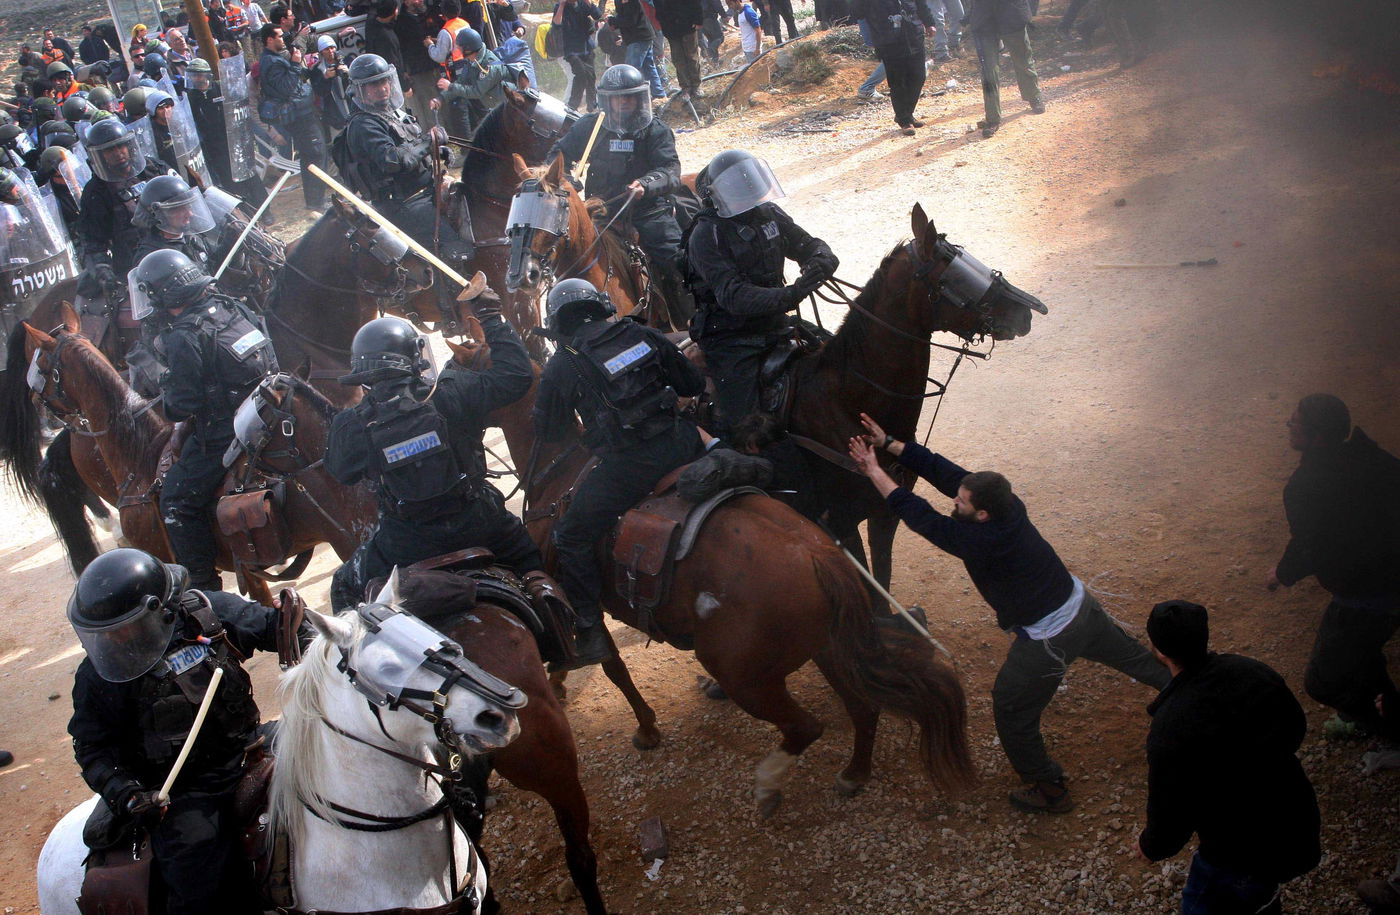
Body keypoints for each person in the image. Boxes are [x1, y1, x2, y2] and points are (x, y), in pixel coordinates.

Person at [848, 412, 1170, 812]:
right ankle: (1188, 692)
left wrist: (873, 469)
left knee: (1011, 707)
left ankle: (1049, 788)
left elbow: (917, 514)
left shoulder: (979, 540)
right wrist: (890, 442)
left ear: (980, 515)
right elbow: (948, 474)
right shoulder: (1007, 505)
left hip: (1050, 638)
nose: (954, 500)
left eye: (961, 502)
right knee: (1138, 660)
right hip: (1082, 607)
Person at [67, 547, 297, 914]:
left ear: (159, 611)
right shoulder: (98, 675)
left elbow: (275, 627)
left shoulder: (204, 614)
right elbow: (93, 749)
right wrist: (126, 795)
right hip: (185, 791)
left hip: (252, 747)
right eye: (106, 634)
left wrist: (307, 631)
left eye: (123, 630)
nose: (114, 642)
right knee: (200, 891)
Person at [325, 303, 557, 616]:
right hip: (479, 523)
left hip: (405, 542)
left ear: (361, 370)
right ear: (414, 355)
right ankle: (571, 632)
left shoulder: (351, 424)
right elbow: (516, 376)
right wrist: (491, 317)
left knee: (343, 585)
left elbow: (343, 473)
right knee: (531, 559)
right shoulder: (451, 392)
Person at [533, 278, 706, 664]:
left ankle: (591, 630)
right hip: (683, 442)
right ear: (601, 305)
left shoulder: (564, 363)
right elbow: (692, 382)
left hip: (629, 466)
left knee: (570, 534)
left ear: (558, 323)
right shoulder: (640, 332)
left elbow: (549, 430)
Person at [1136, 600, 1321, 914]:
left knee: (1216, 900)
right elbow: (1295, 727)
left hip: (1237, 851)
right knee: (1260, 894)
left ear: (1159, 650)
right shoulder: (1252, 671)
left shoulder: (1170, 727)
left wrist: (1152, 845)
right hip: (1294, 815)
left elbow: (1172, 805)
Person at [133, 249, 278, 590]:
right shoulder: (233, 305)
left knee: (176, 500)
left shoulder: (182, 335)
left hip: (228, 432)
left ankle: (201, 583)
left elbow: (183, 406)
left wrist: (166, 381)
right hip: (270, 407)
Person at [1269, 394, 1400, 742]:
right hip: (1391, 577)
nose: (1287, 425)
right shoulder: (1371, 456)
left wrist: (1282, 573)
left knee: (1323, 680)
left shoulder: (1305, 487)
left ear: (1318, 437)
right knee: (1363, 655)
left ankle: (1391, 733)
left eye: (1295, 423)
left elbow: (1310, 545)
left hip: (1368, 595)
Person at [684, 149, 837, 433]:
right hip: (731, 337)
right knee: (742, 425)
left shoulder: (767, 213)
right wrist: (792, 294)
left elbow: (807, 243)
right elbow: (734, 295)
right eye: (740, 189)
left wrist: (821, 260)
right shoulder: (706, 235)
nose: (748, 194)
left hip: (775, 323)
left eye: (750, 185)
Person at [340, 52, 474, 320]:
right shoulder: (363, 125)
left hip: (428, 189)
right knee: (453, 247)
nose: (382, 89)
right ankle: (454, 312)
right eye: (373, 85)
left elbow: (417, 150)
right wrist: (429, 140)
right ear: (360, 91)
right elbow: (392, 161)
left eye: (384, 82)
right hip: (401, 204)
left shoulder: (396, 114)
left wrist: (439, 151)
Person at [550, 64, 687, 322]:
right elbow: (558, 154)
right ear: (607, 100)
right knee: (557, 256)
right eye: (617, 97)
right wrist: (566, 179)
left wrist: (646, 184)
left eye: (629, 96)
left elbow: (671, 170)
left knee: (679, 262)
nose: (624, 102)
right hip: (600, 213)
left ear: (639, 97)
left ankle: (691, 319)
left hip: (649, 214)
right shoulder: (589, 126)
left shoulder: (656, 130)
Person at [77, 117, 170, 299]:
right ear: (99, 156)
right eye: (109, 150)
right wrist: (102, 269)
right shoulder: (96, 193)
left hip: (176, 247)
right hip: (136, 266)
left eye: (121, 146)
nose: (118, 153)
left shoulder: (155, 169)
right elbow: (92, 242)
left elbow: (186, 201)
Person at [257, 23, 327, 209]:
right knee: (315, 155)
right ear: (269, 40)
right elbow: (286, 88)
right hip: (299, 118)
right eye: (279, 36)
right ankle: (315, 203)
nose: (283, 39)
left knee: (312, 156)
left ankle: (316, 201)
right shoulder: (271, 62)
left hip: (303, 113)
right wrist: (296, 64)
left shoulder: (276, 58)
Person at [850, 0, 934, 134]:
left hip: (914, 35)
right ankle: (904, 120)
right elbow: (857, 13)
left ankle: (908, 114)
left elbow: (921, 4)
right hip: (888, 41)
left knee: (918, 76)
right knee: (898, 81)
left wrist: (929, 23)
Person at [968, 0, 1044, 138]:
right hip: (984, 19)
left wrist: (1027, 12)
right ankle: (992, 118)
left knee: (1023, 60)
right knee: (988, 71)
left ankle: (1034, 96)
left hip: (1012, 14)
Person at [434, 27, 525, 131]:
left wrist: (450, 86)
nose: (456, 50)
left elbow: (476, 92)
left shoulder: (490, 67)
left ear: (468, 49)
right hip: (495, 109)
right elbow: (462, 82)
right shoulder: (472, 61)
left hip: (509, 110)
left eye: (459, 47)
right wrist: (440, 99)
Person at [395, 0, 442, 129]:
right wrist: (405, 70)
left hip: (437, 64)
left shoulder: (428, 13)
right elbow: (401, 49)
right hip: (419, 69)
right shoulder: (401, 22)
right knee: (429, 106)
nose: (420, 1)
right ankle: (435, 138)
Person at [554, 0, 605, 112]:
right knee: (580, 74)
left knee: (591, 76)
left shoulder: (582, 3)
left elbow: (598, 15)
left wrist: (588, 2)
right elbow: (557, 23)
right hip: (571, 49)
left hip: (586, 47)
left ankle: (592, 105)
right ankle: (573, 105)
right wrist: (562, 5)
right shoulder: (560, 6)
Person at [610, 0, 666, 100]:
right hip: (642, 36)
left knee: (631, 70)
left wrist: (614, 21)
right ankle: (659, 94)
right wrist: (614, 22)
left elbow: (631, 20)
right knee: (648, 67)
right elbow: (623, 15)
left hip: (639, 37)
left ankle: (633, 98)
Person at [656, 0, 704, 101]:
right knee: (678, 59)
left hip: (688, 24)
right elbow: (659, 8)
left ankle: (696, 86)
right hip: (671, 29)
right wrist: (664, 27)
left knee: (692, 57)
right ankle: (686, 87)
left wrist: (698, 20)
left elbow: (695, 3)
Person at [309, 35, 352, 133]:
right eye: (326, 49)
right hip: (335, 115)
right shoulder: (317, 69)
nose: (330, 51)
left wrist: (349, 73)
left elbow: (360, 81)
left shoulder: (347, 60)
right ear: (321, 52)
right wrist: (326, 78)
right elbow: (319, 92)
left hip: (352, 107)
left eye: (332, 48)